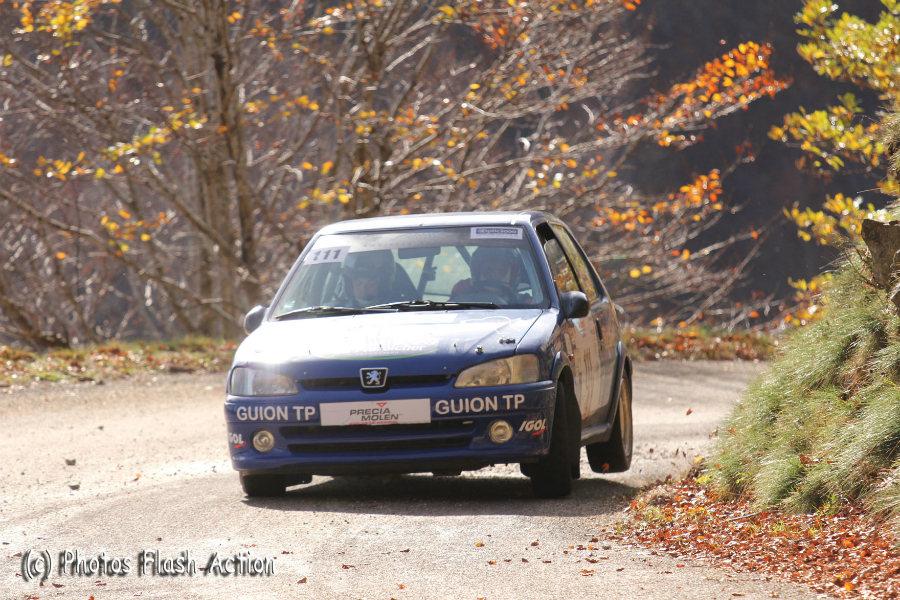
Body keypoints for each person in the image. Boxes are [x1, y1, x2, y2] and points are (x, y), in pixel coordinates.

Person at [338, 250, 416, 307]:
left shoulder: (403, 312)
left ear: (383, 284)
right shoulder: (334, 311)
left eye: (371, 283)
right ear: (349, 284)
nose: (363, 290)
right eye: (357, 283)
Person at [450, 246, 521, 304]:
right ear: (477, 271)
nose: (494, 274)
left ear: (512, 275)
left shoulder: (523, 302)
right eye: (488, 269)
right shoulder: (464, 288)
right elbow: (448, 312)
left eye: (501, 270)